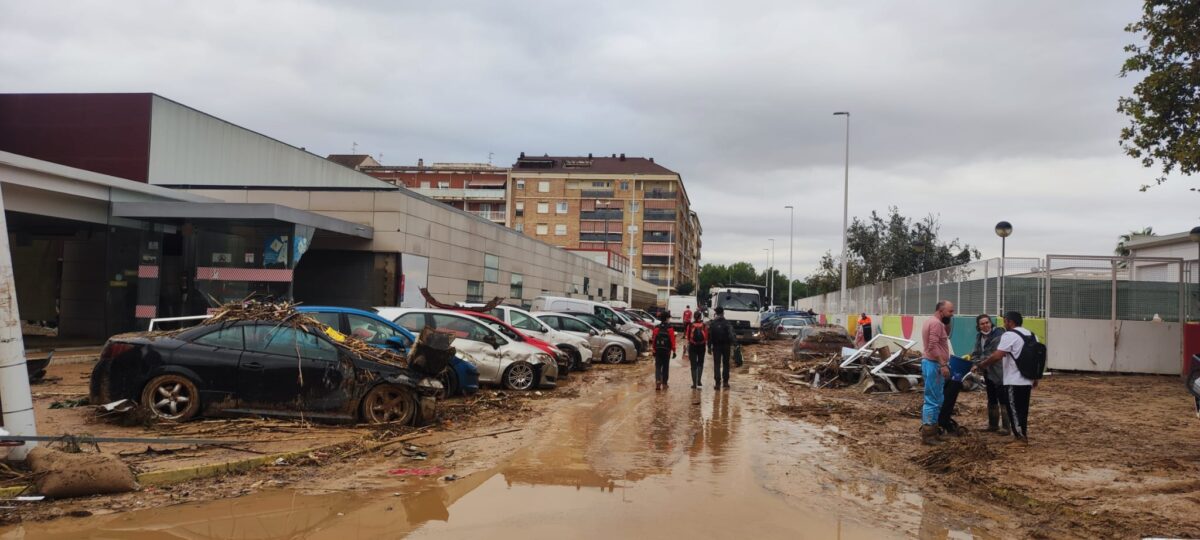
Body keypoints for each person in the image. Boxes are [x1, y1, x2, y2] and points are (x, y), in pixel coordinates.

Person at [977, 311, 1038, 444]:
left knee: (1013, 410)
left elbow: (997, 355)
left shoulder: (1009, 335)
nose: (1004, 324)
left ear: (1010, 322)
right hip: (1027, 379)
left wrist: (983, 364)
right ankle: (1022, 433)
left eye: (1005, 321)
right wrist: (1035, 378)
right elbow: (1036, 359)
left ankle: (1020, 438)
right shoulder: (1032, 335)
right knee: (1023, 409)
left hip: (1013, 379)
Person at [920, 300, 954, 445]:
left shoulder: (933, 322)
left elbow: (941, 338)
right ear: (941, 311)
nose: (952, 314)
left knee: (936, 398)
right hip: (934, 365)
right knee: (932, 400)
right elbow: (932, 346)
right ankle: (928, 435)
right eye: (950, 311)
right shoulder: (935, 323)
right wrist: (943, 364)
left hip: (932, 364)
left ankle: (933, 432)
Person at [969, 314, 1008, 434]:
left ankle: (1007, 427)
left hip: (1000, 371)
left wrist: (979, 364)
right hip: (988, 372)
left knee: (1003, 398)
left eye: (987, 322)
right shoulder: (979, 337)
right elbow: (976, 352)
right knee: (991, 397)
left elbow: (993, 353)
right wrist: (975, 362)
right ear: (978, 326)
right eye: (982, 323)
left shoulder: (999, 334)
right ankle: (993, 425)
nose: (985, 325)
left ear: (991, 323)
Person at [707, 306, 735, 390]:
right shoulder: (727, 323)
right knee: (726, 364)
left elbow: (709, 336)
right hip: (726, 346)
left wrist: (709, 346)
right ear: (723, 313)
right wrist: (735, 344)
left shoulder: (712, 323)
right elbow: (731, 334)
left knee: (717, 364)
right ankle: (725, 382)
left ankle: (717, 383)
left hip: (716, 346)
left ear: (716, 313)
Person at [651, 311, 676, 391]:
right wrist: (674, 350)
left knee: (658, 366)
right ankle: (665, 383)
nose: (669, 319)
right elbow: (672, 340)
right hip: (667, 351)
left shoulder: (656, 328)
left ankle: (658, 381)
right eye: (668, 318)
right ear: (666, 318)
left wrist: (653, 349)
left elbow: (654, 339)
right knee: (665, 367)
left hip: (658, 350)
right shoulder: (670, 328)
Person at [685, 311, 708, 389]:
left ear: (694, 317)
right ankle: (699, 381)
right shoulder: (704, 325)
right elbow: (706, 336)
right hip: (702, 346)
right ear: (700, 317)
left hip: (693, 346)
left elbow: (688, 337)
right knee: (700, 364)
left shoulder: (690, 325)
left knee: (693, 365)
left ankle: (694, 384)